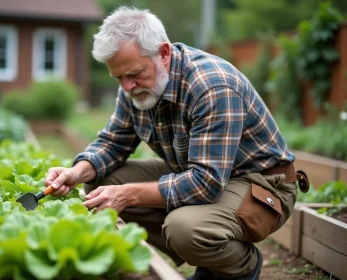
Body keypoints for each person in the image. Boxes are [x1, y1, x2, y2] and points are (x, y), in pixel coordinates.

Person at [45, 6, 309, 280]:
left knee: (185, 229)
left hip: (261, 184)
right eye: (118, 77)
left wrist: (128, 194)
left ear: (164, 53)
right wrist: (76, 171)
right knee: (100, 186)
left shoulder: (212, 87)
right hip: (203, 176)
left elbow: (206, 182)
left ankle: (239, 266)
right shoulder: (136, 86)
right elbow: (113, 143)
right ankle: (203, 252)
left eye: (134, 73)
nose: (127, 86)